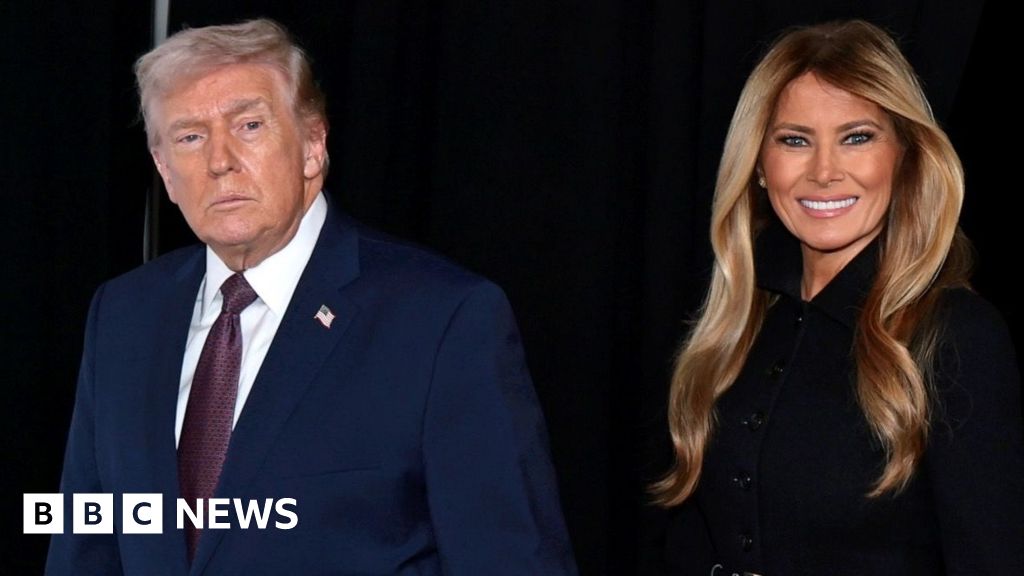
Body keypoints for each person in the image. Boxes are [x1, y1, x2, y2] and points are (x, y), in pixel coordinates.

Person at [46, 18, 577, 575]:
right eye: (190, 136)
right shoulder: (123, 317)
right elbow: (86, 544)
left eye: (249, 125)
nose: (219, 160)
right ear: (165, 171)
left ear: (312, 147)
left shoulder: (441, 320)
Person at [651, 19, 1024, 575]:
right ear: (758, 165)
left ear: (905, 158)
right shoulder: (739, 324)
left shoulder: (955, 334)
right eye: (795, 140)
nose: (824, 172)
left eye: (856, 137)